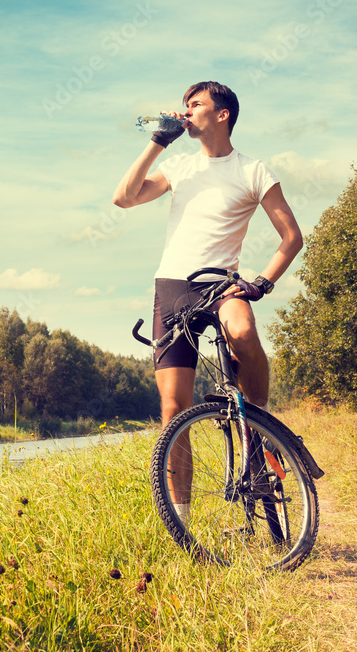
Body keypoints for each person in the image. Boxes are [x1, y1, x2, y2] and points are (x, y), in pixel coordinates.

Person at [112, 81, 303, 439]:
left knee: (243, 331)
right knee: (173, 409)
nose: (185, 111)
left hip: (222, 285)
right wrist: (158, 142)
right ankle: (179, 500)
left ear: (222, 114)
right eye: (184, 106)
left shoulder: (253, 171)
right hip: (172, 288)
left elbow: (292, 237)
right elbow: (123, 199)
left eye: (195, 105)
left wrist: (262, 283)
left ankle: (260, 424)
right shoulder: (179, 165)